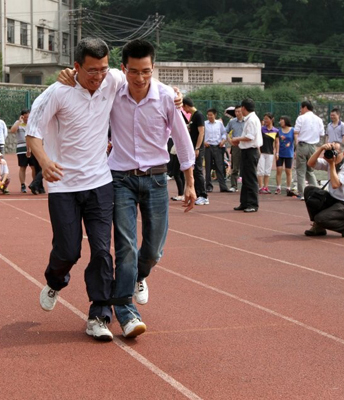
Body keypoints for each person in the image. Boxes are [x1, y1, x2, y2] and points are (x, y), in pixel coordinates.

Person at [26, 37, 125, 342]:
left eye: (103, 69)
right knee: (68, 250)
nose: (99, 76)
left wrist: (175, 96)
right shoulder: (58, 92)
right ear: (77, 67)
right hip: (63, 185)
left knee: (102, 251)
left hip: (99, 182)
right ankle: (55, 280)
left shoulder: (113, 80)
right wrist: (45, 162)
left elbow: (142, 83)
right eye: (92, 70)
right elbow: (33, 133)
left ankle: (99, 314)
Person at [106, 39, 196, 338]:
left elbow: (182, 139)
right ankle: (126, 310)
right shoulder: (113, 92)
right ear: (124, 69)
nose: (140, 78)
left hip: (156, 179)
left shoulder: (167, 97)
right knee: (126, 246)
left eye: (146, 71)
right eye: (133, 71)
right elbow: (89, 78)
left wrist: (190, 184)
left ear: (153, 68)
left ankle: (138, 276)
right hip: (121, 178)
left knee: (154, 250)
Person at [304, 141, 344, 237]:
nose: (332, 155)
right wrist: (321, 149)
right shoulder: (329, 162)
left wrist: (332, 164)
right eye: (330, 151)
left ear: (343, 154)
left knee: (320, 219)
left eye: (335, 152)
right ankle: (319, 227)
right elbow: (310, 163)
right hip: (335, 199)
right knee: (309, 191)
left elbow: (335, 184)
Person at [230, 98, 262, 213]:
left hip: (251, 151)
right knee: (245, 178)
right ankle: (244, 202)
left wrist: (237, 139)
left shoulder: (252, 120)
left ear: (243, 108)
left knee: (251, 178)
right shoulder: (249, 119)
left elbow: (250, 137)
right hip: (246, 150)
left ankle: (253, 204)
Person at [293, 100, 324, 200]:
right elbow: (322, 133)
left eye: (301, 108)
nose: (301, 110)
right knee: (310, 170)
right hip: (313, 146)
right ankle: (316, 192)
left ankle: (302, 193)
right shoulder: (319, 119)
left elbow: (296, 132)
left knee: (300, 170)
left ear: (305, 107)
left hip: (302, 145)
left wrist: (296, 146)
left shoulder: (301, 118)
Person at [182, 98, 208, 205]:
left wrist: (197, 148)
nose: (184, 109)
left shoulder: (199, 115)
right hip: (192, 148)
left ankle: (203, 196)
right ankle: (197, 194)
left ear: (186, 105)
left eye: (183, 107)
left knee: (198, 171)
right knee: (194, 171)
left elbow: (201, 133)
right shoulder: (193, 116)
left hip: (197, 149)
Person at [204, 108, 233, 193]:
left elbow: (224, 133)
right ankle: (208, 186)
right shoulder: (204, 124)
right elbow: (201, 134)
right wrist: (204, 142)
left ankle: (223, 187)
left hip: (218, 147)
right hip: (208, 147)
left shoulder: (219, 124)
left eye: (211, 115)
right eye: (208, 115)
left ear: (215, 115)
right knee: (208, 167)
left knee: (220, 167)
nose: (209, 116)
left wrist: (223, 141)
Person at [9, 109, 38, 194]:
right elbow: (12, 130)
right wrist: (19, 121)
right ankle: (22, 185)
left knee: (33, 167)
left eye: (28, 117)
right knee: (23, 167)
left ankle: (34, 184)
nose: (27, 119)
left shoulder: (32, 123)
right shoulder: (18, 123)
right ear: (22, 116)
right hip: (21, 148)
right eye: (25, 117)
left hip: (32, 147)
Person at [258, 113, 279, 194]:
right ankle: (260, 187)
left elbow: (277, 142)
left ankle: (266, 187)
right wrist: (258, 150)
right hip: (261, 153)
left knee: (267, 171)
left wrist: (277, 153)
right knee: (260, 170)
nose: (265, 120)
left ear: (271, 119)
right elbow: (258, 140)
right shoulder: (261, 129)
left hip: (270, 153)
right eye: (264, 119)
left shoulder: (276, 130)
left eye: (267, 118)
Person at [225, 105, 245, 191]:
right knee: (235, 167)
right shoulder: (232, 122)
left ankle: (246, 186)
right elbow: (225, 132)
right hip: (236, 146)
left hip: (246, 146)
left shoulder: (247, 121)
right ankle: (233, 186)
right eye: (236, 111)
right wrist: (230, 141)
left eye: (239, 111)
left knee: (246, 166)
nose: (237, 113)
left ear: (242, 111)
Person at [275, 116, 296, 196]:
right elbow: (277, 142)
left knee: (288, 171)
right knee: (279, 170)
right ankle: (278, 187)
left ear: (286, 121)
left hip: (289, 153)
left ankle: (288, 188)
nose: (280, 122)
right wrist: (276, 153)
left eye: (282, 121)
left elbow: (296, 141)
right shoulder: (278, 130)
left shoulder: (293, 130)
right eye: (280, 121)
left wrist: (295, 151)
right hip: (280, 153)